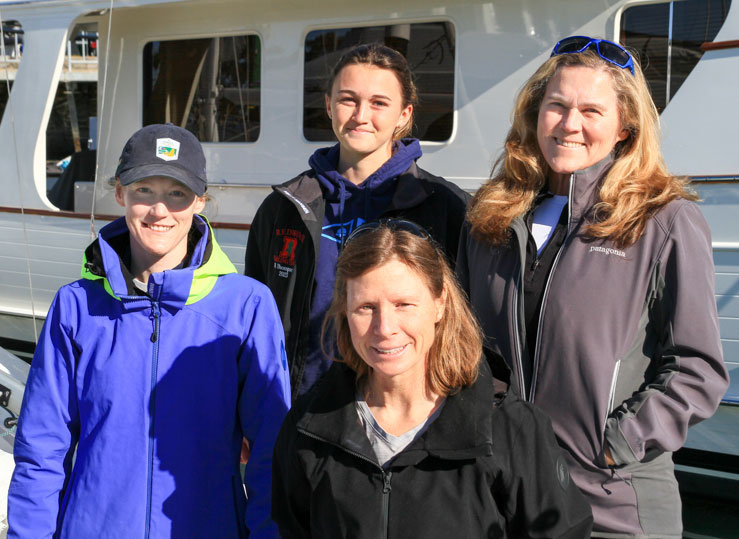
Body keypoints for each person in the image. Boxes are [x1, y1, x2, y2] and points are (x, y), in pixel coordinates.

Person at [457, 36, 729, 537]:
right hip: (501, 495)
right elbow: (463, 345)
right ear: (535, 113)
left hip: (613, 502)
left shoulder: (663, 222)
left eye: (591, 110)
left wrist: (617, 444)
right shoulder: (491, 217)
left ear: (625, 127)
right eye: (556, 105)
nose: (569, 124)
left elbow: (697, 367)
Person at [8, 124, 290, 538]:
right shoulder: (75, 306)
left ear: (200, 201)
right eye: (144, 190)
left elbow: (271, 451)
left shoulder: (247, 306)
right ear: (120, 192)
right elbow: (41, 450)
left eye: (177, 193)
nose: (160, 210)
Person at [272, 219, 593, 538]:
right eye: (366, 307)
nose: (385, 328)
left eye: (403, 305)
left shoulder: (509, 429)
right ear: (345, 311)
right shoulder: (309, 429)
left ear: (440, 303)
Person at [245, 43, 469, 399]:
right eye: (348, 99)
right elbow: (254, 320)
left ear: (404, 114)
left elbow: (466, 325)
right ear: (329, 105)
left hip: (404, 412)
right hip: (297, 409)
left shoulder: (444, 208)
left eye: (379, 103)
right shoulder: (284, 207)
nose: (361, 115)